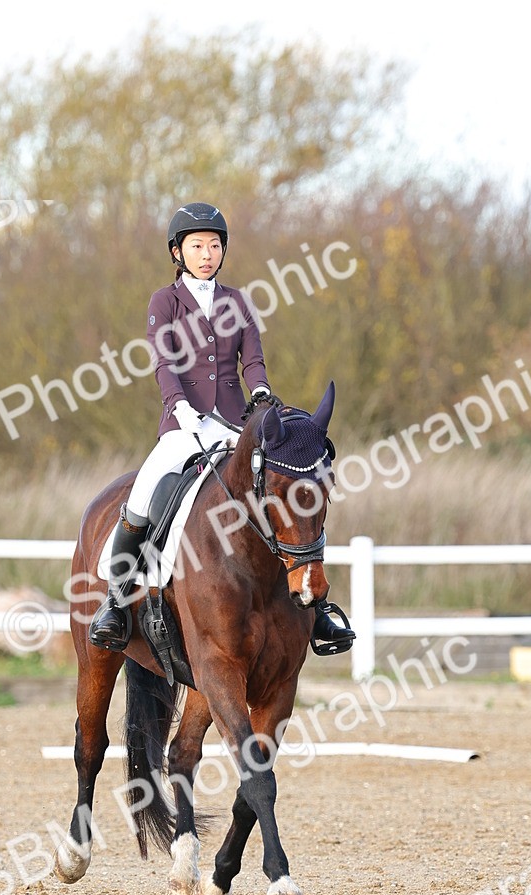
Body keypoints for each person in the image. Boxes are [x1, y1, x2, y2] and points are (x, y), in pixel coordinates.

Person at [88, 201, 355, 654]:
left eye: (214, 245)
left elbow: (252, 358)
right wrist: (178, 405)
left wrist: (263, 394)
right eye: (197, 246)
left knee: (288, 488)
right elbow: (164, 361)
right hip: (182, 425)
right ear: (178, 252)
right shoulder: (164, 301)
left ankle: (318, 607)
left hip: (235, 423)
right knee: (142, 492)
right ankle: (116, 601)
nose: (207, 253)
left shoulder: (237, 301)